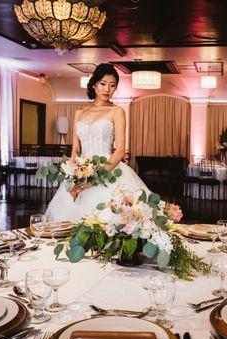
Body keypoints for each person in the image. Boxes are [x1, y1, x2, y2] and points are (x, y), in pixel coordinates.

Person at [45, 63, 149, 222]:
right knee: (72, 224)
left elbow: (120, 151)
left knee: (110, 222)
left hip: (109, 170)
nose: (107, 89)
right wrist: (72, 175)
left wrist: (95, 179)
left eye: (112, 85)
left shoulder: (117, 111)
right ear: (94, 84)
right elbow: (75, 151)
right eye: (103, 84)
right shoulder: (79, 113)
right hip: (82, 173)